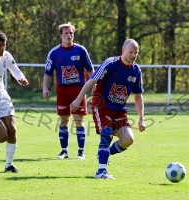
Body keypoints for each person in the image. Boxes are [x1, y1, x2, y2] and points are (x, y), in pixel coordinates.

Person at [70, 39, 146, 179]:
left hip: (119, 110)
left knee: (128, 139)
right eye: (131, 52)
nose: (133, 55)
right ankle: (101, 171)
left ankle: (103, 153)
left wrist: (141, 118)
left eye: (136, 53)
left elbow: (138, 96)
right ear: (123, 50)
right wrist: (79, 99)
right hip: (102, 105)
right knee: (107, 133)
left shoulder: (136, 70)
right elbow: (92, 81)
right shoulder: (110, 63)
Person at [43, 22, 94, 159]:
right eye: (66, 33)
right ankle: (64, 151)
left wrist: (94, 85)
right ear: (61, 35)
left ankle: (81, 151)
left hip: (78, 90)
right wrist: (45, 88)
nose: (69, 35)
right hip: (62, 90)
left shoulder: (81, 50)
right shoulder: (54, 53)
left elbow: (90, 70)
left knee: (78, 119)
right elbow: (47, 72)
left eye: (71, 33)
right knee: (64, 119)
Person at [0, 30, 29, 173]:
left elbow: (15, 70)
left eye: (4, 45)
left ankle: (9, 165)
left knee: (12, 129)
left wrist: (21, 78)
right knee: (2, 137)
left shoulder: (6, 56)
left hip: (1, 96)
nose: (2, 49)